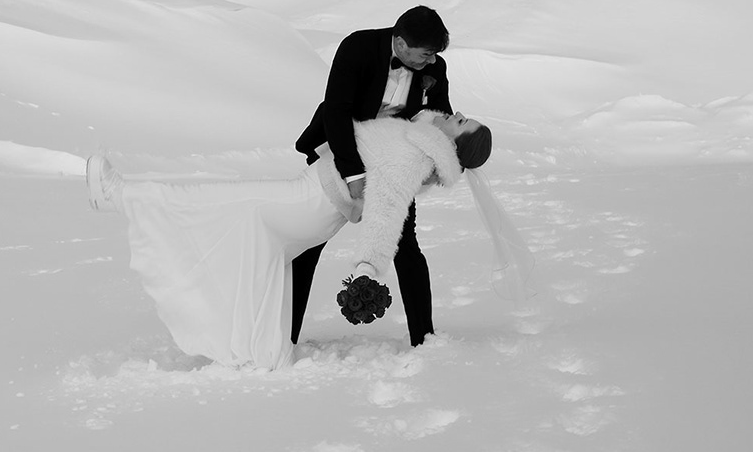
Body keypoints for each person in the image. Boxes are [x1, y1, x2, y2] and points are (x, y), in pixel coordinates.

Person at [88, 110, 496, 370]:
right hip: (309, 197)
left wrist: (368, 267)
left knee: (214, 199)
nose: (457, 114)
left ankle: (118, 194)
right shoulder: (419, 136)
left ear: (453, 145)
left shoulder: (415, 156)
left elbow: (387, 212)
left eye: (463, 123)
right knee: (241, 233)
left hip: (309, 203)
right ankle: (264, 350)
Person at [291, 6, 455, 348]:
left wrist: (441, 161)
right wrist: (352, 173)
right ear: (401, 43)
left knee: (405, 244)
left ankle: (424, 338)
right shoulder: (358, 47)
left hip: (392, 165)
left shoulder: (434, 68)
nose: (431, 61)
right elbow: (336, 111)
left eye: (434, 55)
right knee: (308, 242)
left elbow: (440, 117)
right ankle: (285, 335)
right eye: (426, 54)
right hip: (339, 151)